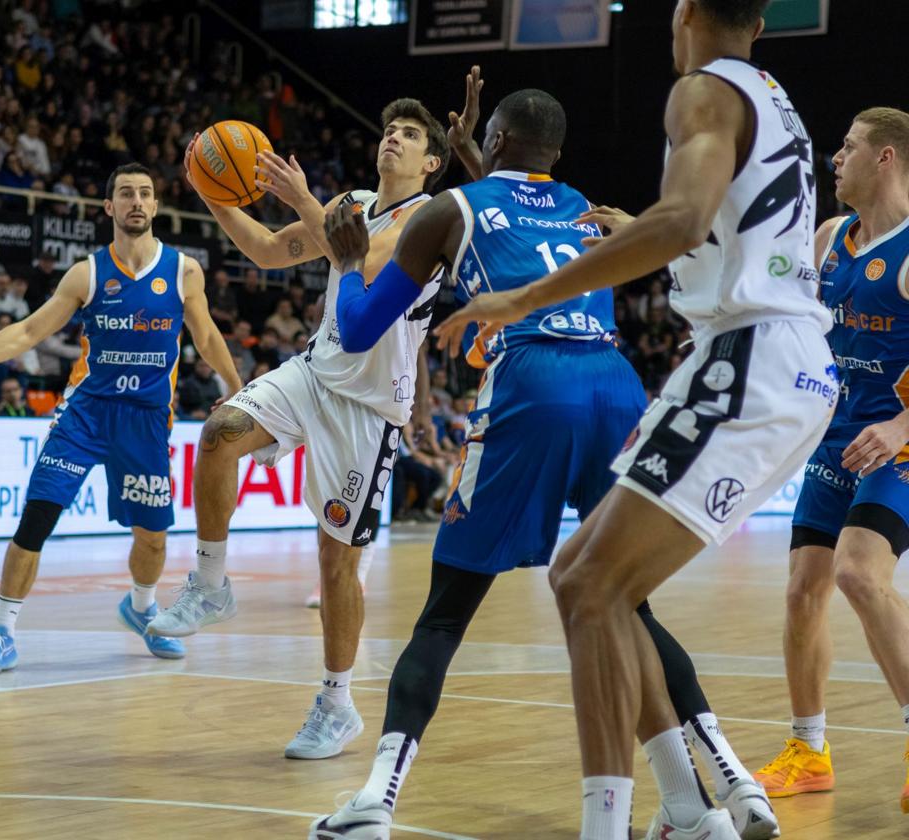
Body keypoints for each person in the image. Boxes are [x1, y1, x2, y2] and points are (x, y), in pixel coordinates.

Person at [312, 63, 786, 840]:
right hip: (617, 387)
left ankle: (374, 800)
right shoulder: (584, 207)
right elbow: (512, 208)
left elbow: (363, 328)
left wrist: (342, 263)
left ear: (492, 138)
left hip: (531, 384)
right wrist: (476, 153)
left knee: (444, 614)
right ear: (555, 154)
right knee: (626, 604)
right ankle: (720, 789)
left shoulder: (445, 211)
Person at [424, 4, 832, 837]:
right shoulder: (770, 93)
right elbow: (712, 228)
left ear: (683, 12)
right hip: (779, 357)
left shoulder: (701, 91)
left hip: (748, 355)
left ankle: (612, 825)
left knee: (588, 583)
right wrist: (654, 235)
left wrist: (524, 296)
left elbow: (681, 217)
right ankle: (687, 812)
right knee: (588, 575)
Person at [148, 98, 448, 762]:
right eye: (389, 129)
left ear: (430, 162)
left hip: (369, 412)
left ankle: (337, 704)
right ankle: (211, 584)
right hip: (314, 373)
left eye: (409, 135)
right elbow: (261, 247)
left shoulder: (430, 217)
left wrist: (308, 202)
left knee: (335, 565)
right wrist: (209, 188)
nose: (392, 139)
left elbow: (367, 266)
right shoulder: (350, 201)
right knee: (220, 431)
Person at [0, 163, 242, 669]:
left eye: (146, 194)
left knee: (152, 539)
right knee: (37, 517)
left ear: (156, 207)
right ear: (109, 207)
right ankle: (2, 630)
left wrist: (236, 386)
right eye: (126, 194)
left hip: (147, 418)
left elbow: (205, 337)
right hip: (85, 413)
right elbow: (27, 332)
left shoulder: (183, 271)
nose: (137, 201)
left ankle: (140, 608)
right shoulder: (87, 272)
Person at [752, 108, 909, 809]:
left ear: (887, 158)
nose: (834, 158)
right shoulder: (827, 240)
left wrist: (903, 424)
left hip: (900, 439)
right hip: (835, 434)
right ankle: (808, 751)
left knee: (856, 572)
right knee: (800, 590)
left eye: (847, 147)